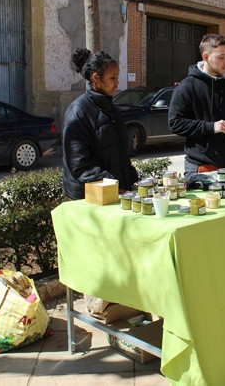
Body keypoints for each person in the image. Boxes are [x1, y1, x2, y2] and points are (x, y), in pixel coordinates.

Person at [62, 48, 139, 319]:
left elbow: (120, 154)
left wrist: (133, 181)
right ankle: (99, 304)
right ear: (96, 78)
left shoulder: (112, 108)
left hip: (114, 194)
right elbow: (80, 165)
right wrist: (113, 184)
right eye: (113, 77)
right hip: (90, 198)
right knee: (98, 256)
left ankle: (120, 301)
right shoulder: (78, 112)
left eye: (118, 77)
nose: (118, 82)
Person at [168, 34, 225, 181]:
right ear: (206, 56)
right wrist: (211, 127)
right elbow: (175, 123)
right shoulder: (187, 86)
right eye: (221, 57)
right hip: (201, 166)